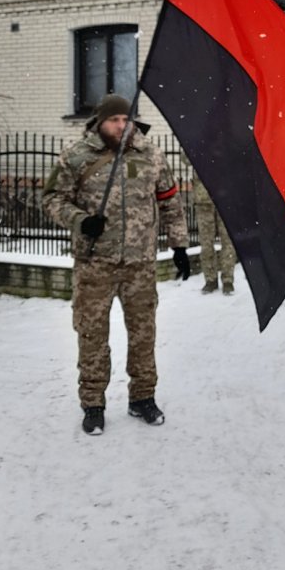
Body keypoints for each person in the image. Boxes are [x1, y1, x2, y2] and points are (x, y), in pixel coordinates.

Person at [43, 94, 190, 436]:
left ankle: (143, 397)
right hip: (94, 263)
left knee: (143, 334)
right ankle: (93, 403)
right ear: (99, 122)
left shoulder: (150, 154)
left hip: (140, 264)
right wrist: (80, 220)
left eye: (126, 119)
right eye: (114, 120)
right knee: (92, 334)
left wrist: (179, 244)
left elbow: (170, 201)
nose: (122, 126)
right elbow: (52, 198)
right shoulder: (76, 156)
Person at [193, 173, 236, 295]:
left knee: (228, 241)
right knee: (206, 243)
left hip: (226, 197)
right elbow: (186, 162)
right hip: (203, 199)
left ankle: (228, 280)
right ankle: (210, 279)